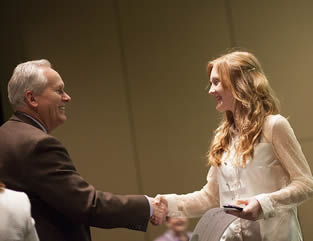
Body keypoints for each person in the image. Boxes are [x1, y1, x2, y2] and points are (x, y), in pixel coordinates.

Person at [0, 59, 168, 241]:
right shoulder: (38, 145)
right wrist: (147, 206)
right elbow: (87, 205)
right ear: (32, 98)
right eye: (59, 90)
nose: (67, 97)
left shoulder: (5, 136)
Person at [155, 50, 313, 241]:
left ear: (238, 84)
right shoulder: (222, 138)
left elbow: (305, 184)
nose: (211, 90)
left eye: (216, 83)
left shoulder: (274, 126)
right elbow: (210, 197)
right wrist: (168, 204)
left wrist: (263, 203)